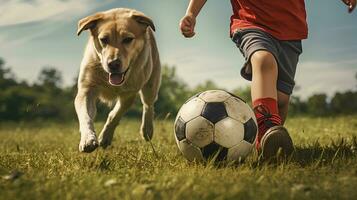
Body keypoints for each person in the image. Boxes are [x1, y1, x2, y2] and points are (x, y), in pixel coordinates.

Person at [179, 0, 356, 159]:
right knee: (263, 60)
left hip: (291, 30)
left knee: (281, 100)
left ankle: (271, 146)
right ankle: (267, 129)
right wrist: (191, 13)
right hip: (251, 24)